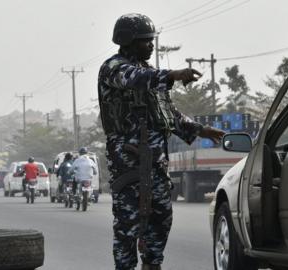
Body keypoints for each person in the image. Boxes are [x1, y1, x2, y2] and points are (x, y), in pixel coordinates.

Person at [98, 14, 225, 270]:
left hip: (156, 164)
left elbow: (169, 114)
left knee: (161, 220)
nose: (151, 46)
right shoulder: (114, 68)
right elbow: (133, 78)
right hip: (129, 163)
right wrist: (174, 74)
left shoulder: (151, 73)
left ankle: (152, 264)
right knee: (127, 226)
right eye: (145, 41)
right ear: (128, 41)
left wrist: (200, 130)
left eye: (151, 40)